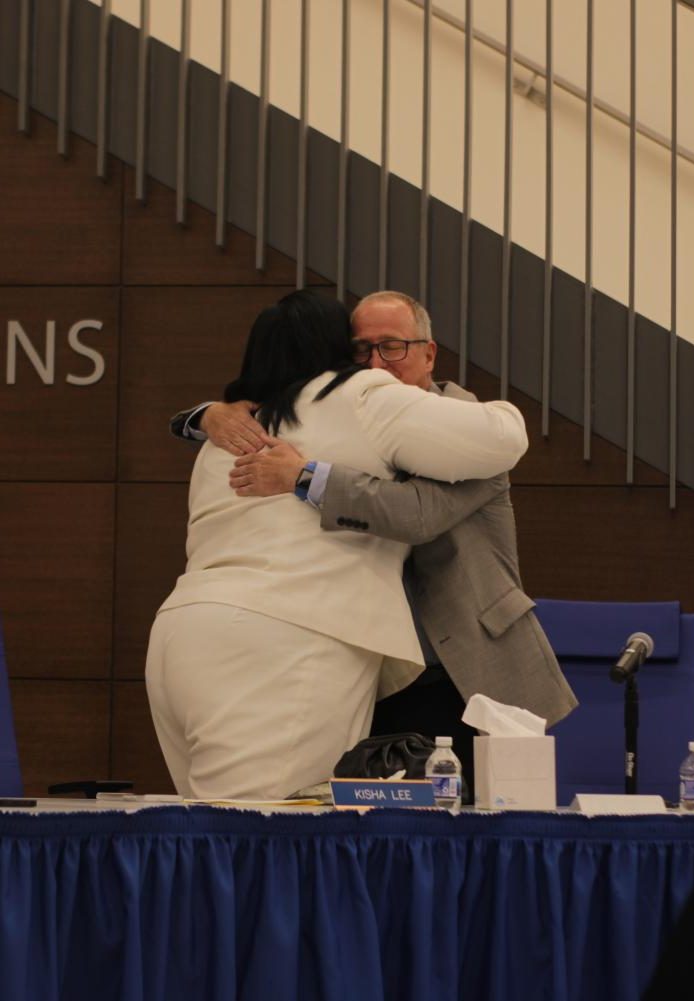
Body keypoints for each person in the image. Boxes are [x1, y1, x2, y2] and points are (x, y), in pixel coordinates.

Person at [172, 291, 577, 795]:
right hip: (376, 664)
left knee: (482, 829)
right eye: (361, 350)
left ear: (429, 353)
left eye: (392, 347)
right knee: (376, 826)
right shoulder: (355, 412)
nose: (375, 364)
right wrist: (205, 414)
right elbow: (265, 407)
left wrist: (306, 476)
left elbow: (418, 515)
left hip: (463, 663)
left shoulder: (469, 432)